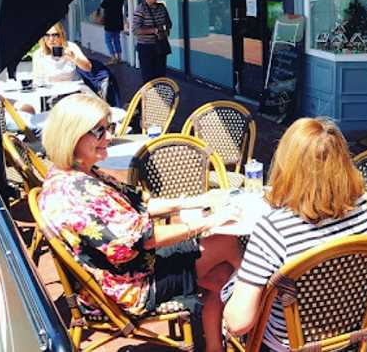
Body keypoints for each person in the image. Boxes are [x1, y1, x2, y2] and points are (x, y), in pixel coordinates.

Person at [38, 94, 242, 352]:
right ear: (72, 135)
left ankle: (218, 345)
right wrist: (206, 222)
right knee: (226, 242)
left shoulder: (77, 174)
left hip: (121, 272)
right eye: (99, 131)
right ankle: (257, 319)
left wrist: (194, 201)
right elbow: (140, 239)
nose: (108, 137)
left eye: (108, 128)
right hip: (127, 287)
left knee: (220, 277)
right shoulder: (79, 191)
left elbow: (139, 203)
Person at [223, 117, 367, 350]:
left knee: (225, 288)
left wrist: (238, 273)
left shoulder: (274, 229)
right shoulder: (362, 210)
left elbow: (238, 323)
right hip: (346, 336)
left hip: (292, 344)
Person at [133, 0, 172, 84]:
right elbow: (136, 30)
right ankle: (148, 98)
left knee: (161, 75)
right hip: (146, 48)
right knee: (148, 77)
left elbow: (168, 23)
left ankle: (161, 97)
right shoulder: (140, 9)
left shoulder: (162, 7)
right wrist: (154, 30)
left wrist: (165, 31)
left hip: (160, 46)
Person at [99, 0, 125, 64]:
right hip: (118, 21)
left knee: (108, 40)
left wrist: (101, 17)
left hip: (109, 21)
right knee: (117, 39)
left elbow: (102, 6)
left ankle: (113, 57)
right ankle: (119, 57)